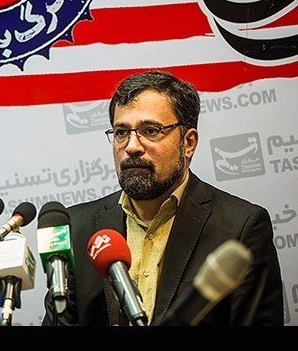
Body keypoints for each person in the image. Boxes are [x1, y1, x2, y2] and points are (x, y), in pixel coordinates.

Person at [42, 70, 283, 326]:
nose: (132, 146)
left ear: (188, 143)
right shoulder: (78, 228)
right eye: (121, 132)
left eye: (150, 130)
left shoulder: (241, 227)